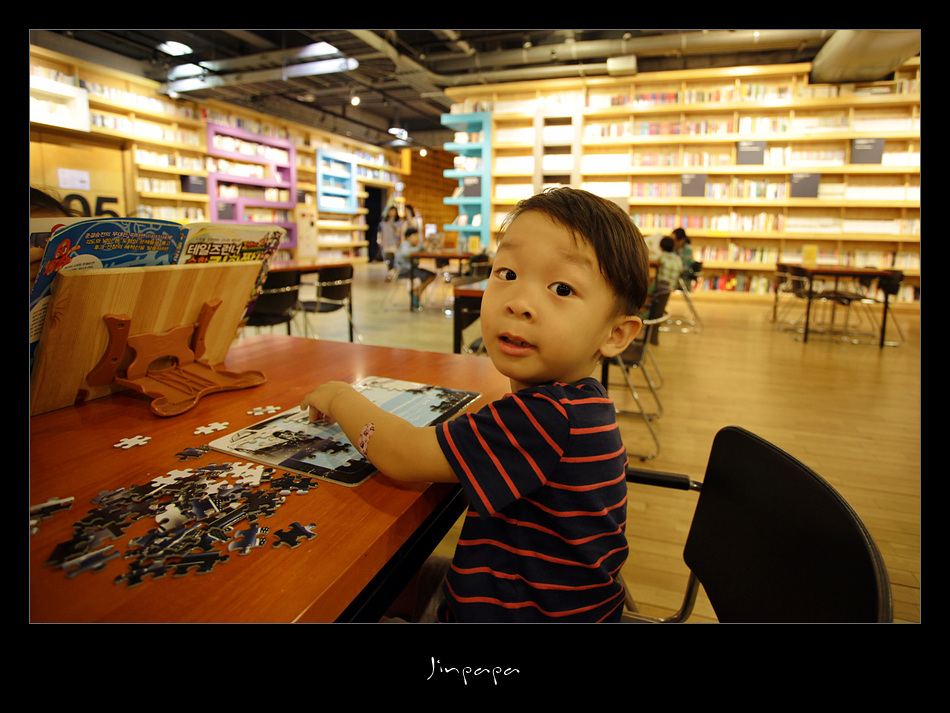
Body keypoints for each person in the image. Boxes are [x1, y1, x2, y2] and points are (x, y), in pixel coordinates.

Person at [300, 187, 649, 622]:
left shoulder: (546, 418)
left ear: (615, 334)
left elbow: (402, 455)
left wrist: (339, 396)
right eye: (507, 273)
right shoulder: (582, 403)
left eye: (561, 288)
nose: (518, 303)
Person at [394, 227, 436, 310]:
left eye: (418, 236)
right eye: (415, 236)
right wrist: (420, 248)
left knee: (431, 275)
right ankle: (416, 293)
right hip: (404, 270)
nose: (417, 238)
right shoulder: (405, 244)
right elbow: (405, 253)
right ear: (407, 237)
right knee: (429, 276)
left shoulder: (414, 246)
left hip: (411, 269)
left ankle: (416, 293)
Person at [378, 205, 403, 271]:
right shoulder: (384, 221)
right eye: (391, 211)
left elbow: (399, 233)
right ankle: (389, 270)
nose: (392, 213)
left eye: (393, 211)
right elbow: (380, 232)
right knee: (387, 259)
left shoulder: (398, 222)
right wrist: (379, 240)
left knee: (395, 259)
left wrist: (394, 227)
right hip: (385, 243)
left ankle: (394, 271)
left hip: (394, 243)